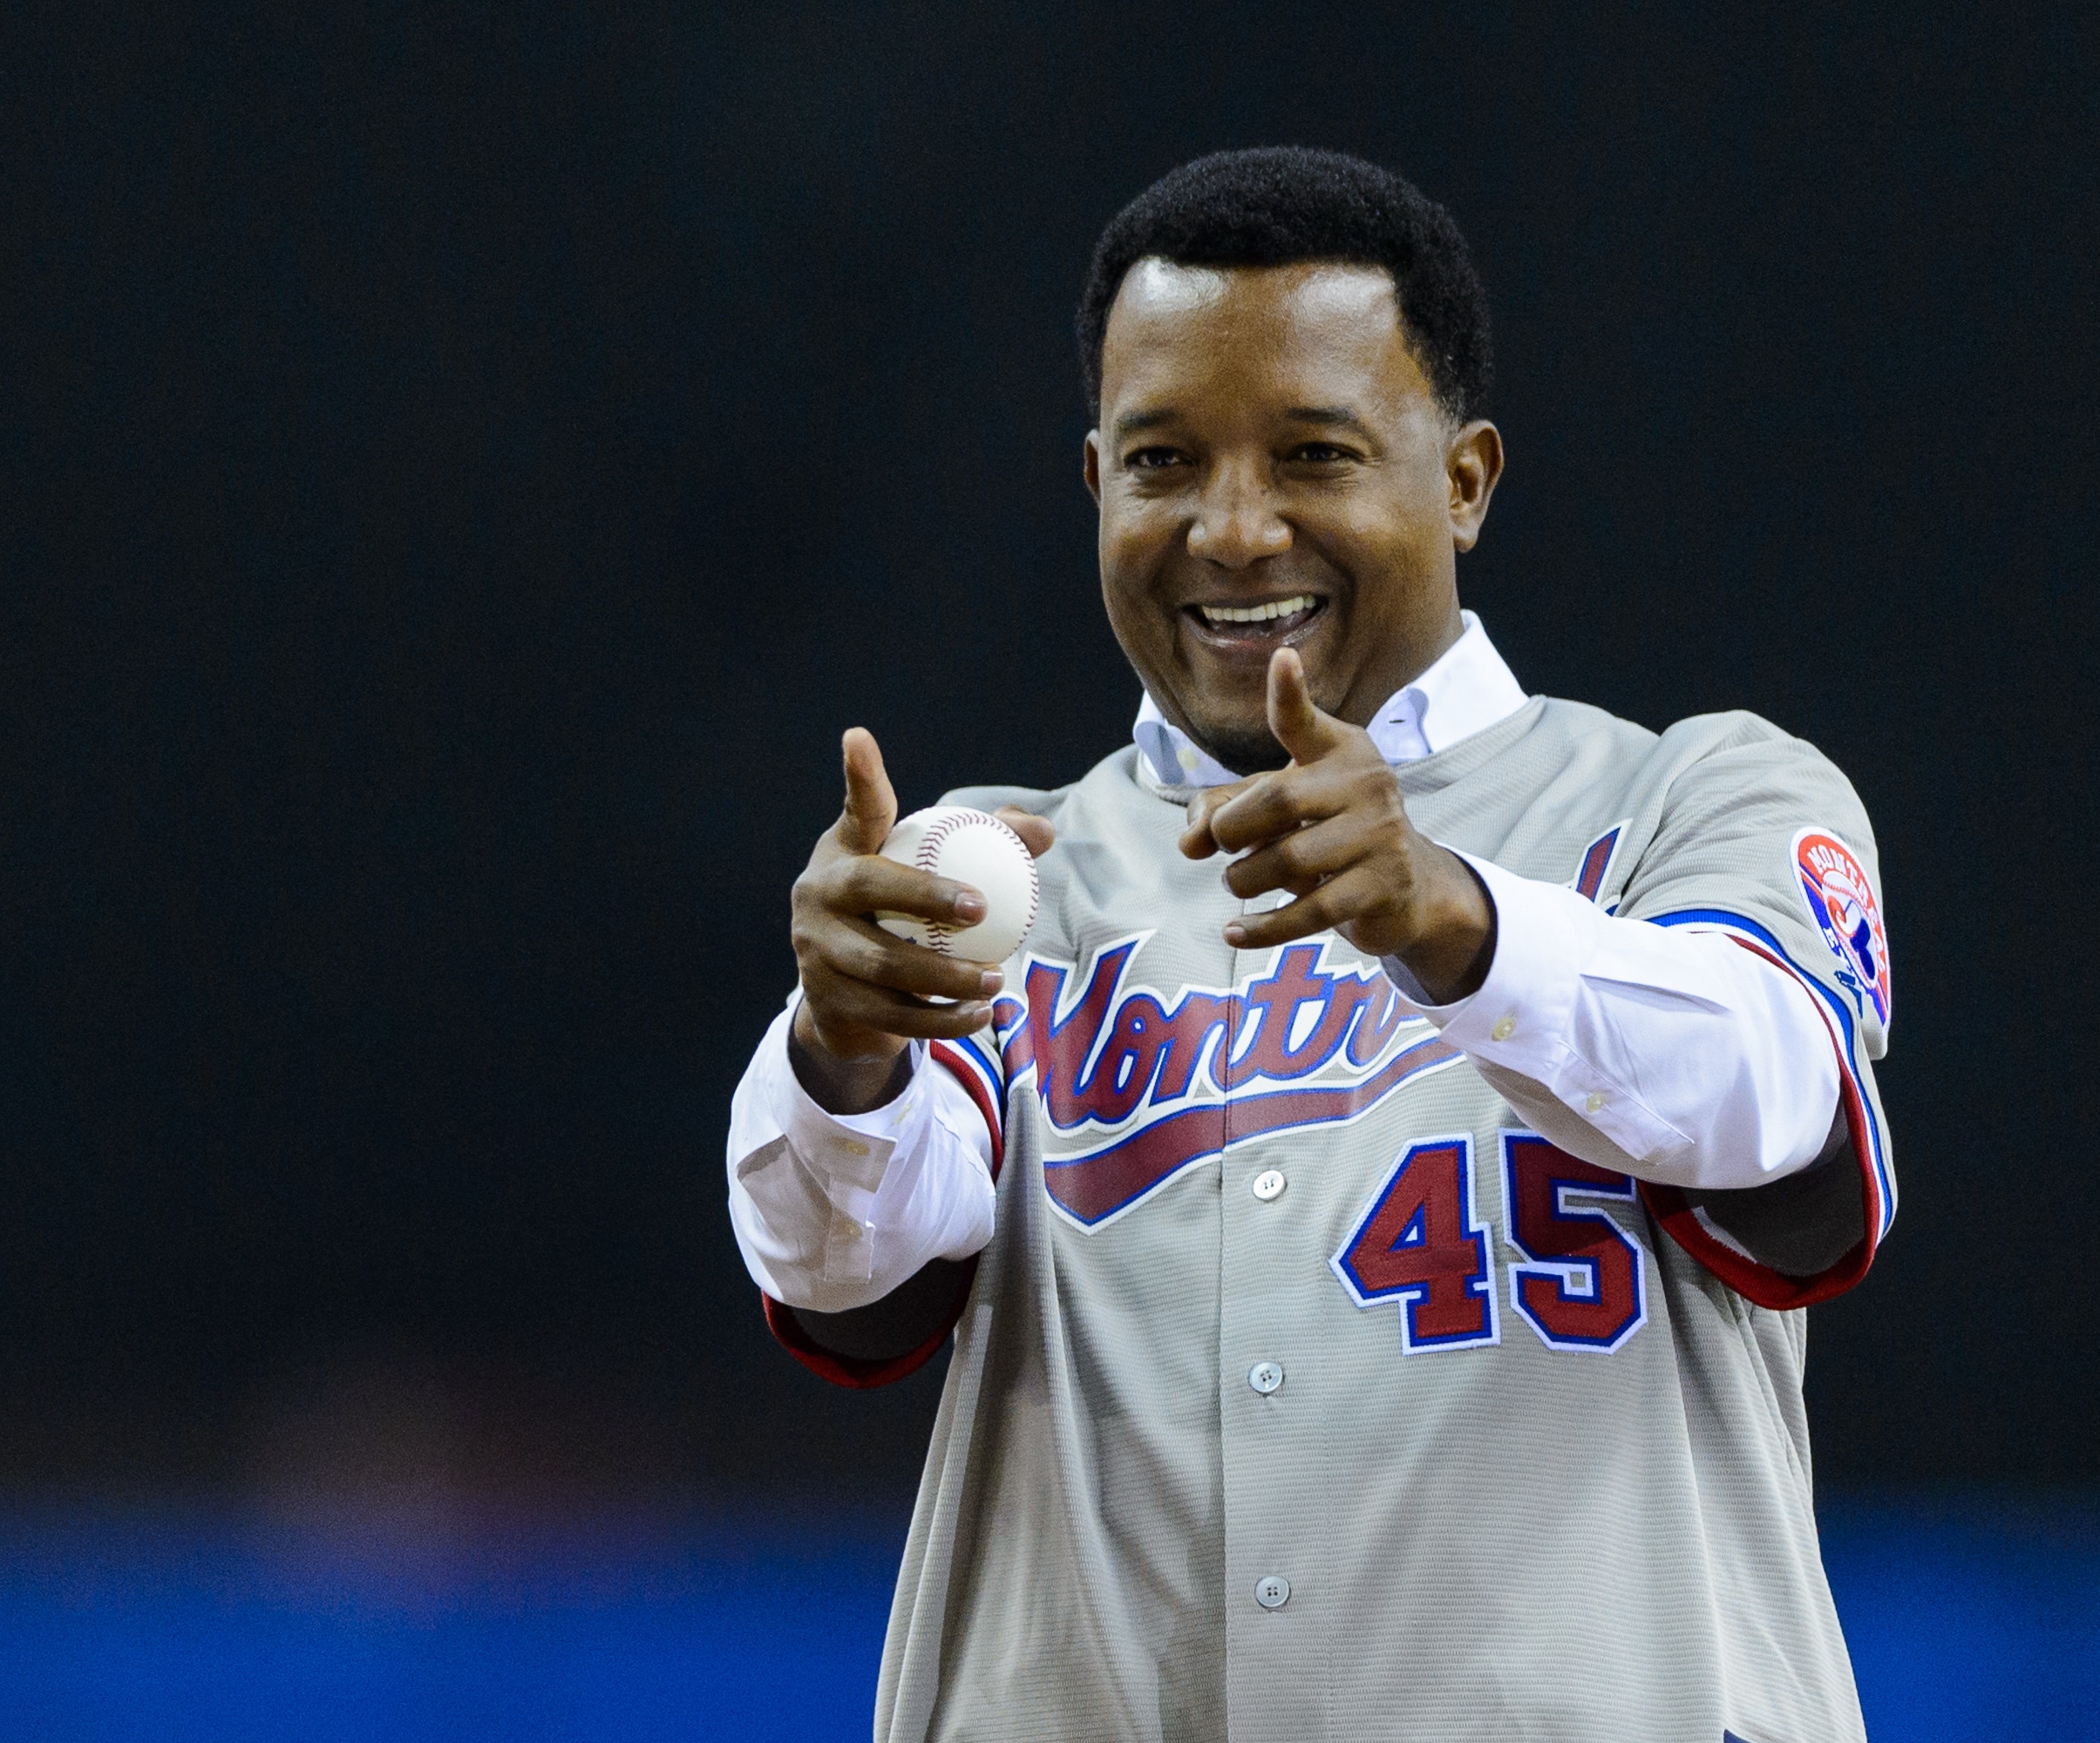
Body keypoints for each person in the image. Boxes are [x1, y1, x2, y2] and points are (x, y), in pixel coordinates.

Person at [727, 147, 1896, 1742]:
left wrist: (1459, 925)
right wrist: (838, 1053)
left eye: (1313, 454)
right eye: (1162, 462)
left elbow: (1781, 1107)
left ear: (1465, 477)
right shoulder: (1002, 868)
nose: (1231, 529)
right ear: (1095, 486)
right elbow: (845, 1269)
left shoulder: (1690, 793)